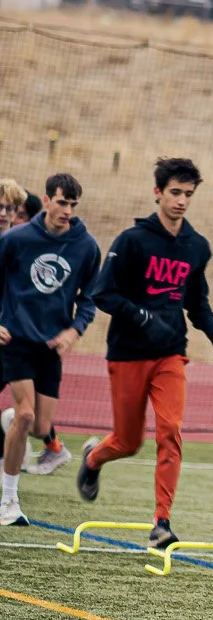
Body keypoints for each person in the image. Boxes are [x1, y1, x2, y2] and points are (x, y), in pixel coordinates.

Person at [76, 156, 213, 550]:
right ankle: (93, 458)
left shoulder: (197, 246)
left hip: (170, 355)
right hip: (127, 353)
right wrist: (143, 317)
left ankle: (161, 522)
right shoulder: (132, 241)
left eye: (188, 194)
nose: (182, 201)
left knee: (170, 430)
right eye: (175, 192)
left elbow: (196, 302)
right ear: (157, 193)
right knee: (127, 442)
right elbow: (102, 293)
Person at [0, 173, 101, 527]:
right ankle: (9, 501)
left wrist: (74, 331)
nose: (67, 210)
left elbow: (89, 298)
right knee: (27, 414)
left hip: (51, 348)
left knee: (41, 426)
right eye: (61, 202)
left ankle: (12, 423)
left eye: (73, 205)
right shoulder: (16, 240)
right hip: (15, 341)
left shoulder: (86, 247)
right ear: (45, 200)